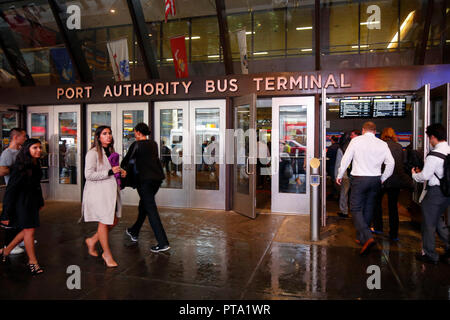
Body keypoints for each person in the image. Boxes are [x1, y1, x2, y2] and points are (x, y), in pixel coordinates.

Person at [336, 122, 395, 255]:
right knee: (369, 208)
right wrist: (383, 178)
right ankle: (362, 238)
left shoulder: (356, 141)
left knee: (356, 208)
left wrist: (339, 174)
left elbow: (346, 159)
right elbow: (391, 163)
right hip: (375, 179)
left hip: (359, 179)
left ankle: (367, 237)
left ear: (363, 130)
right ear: (375, 132)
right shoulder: (382, 144)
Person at [122, 123, 169, 253]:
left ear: (137, 132)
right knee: (144, 205)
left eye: (135, 132)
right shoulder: (153, 144)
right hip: (156, 180)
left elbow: (127, 161)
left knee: (151, 209)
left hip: (144, 181)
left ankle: (162, 242)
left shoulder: (136, 145)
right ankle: (134, 231)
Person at [82, 126, 125, 268]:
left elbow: (112, 170)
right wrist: (109, 172)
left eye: (110, 133)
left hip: (111, 192)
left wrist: (121, 171)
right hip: (98, 193)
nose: (108, 136)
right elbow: (88, 175)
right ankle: (107, 254)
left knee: (114, 220)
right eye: (104, 134)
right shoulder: (93, 153)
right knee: (104, 222)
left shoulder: (111, 152)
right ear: (98, 137)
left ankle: (93, 240)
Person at [0, 139, 44, 275]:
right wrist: (5, 214)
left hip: (32, 202)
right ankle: (33, 262)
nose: (38, 150)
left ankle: (6, 251)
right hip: (22, 203)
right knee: (29, 231)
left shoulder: (36, 164)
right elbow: (11, 190)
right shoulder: (20, 167)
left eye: (39, 147)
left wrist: (40, 201)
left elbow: (36, 185)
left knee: (28, 231)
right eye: (35, 148)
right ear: (27, 150)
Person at [412, 123, 450, 264]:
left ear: (433, 137)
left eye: (429, 138)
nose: (429, 141)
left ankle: (430, 254)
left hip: (435, 193)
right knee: (438, 222)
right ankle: (448, 247)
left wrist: (414, 175)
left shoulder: (433, 155)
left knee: (428, 224)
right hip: (446, 193)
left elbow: (425, 176)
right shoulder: (449, 150)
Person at [373, 128, 414, 241]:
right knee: (393, 207)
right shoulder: (399, 147)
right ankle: (394, 234)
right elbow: (403, 164)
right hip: (396, 181)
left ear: (383, 135)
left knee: (377, 204)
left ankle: (378, 228)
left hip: (382, 179)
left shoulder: (379, 146)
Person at [0, 128, 27, 256]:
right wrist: (17, 169)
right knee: (12, 217)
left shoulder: (21, 151)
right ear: (16, 137)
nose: (25, 138)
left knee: (22, 215)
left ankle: (20, 240)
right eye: (23, 136)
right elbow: (2, 171)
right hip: (13, 190)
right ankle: (9, 244)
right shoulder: (7, 153)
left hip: (23, 190)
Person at [334, 131, 352, 218]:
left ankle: (344, 211)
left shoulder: (341, 149)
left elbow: (338, 164)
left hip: (344, 175)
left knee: (344, 194)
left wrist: (337, 176)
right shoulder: (353, 147)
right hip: (356, 174)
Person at [326, 135, 340, 200]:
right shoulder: (340, 146)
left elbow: (327, 156)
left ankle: (335, 194)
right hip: (339, 166)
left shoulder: (331, 148)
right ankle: (338, 194)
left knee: (334, 180)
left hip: (332, 165)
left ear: (332, 140)